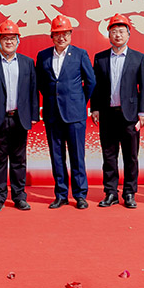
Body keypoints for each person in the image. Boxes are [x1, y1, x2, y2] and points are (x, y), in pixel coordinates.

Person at [0, 20, 40, 212]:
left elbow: (33, 90)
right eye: (5, 38)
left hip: (20, 118)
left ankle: (19, 197)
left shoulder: (27, 63)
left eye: (12, 38)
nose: (9, 41)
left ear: (18, 40)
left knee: (19, 160)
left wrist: (33, 114)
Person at [36, 15, 96, 209]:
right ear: (52, 36)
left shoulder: (80, 54)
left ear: (70, 34)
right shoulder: (43, 56)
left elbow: (91, 81)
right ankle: (61, 194)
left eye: (65, 33)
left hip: (75, 114)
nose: (61, 37)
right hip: (52, 114)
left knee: (77, 155)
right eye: (57, 34)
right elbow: (41, 83)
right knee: (57, 156)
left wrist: (79, 100)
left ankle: (80, 195)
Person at [90, 14, 144, 208]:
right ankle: (110, 192)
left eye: (121, 31)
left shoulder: (138, 58)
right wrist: (95, 108)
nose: (117, 35)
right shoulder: (100, 58)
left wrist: (142, 112)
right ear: (108, 35)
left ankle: (130, 192)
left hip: (130, 115)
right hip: (107, 114)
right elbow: (96, 86)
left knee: (131, 156)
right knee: (109, 156)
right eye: (114, 31)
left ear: (128, 34)